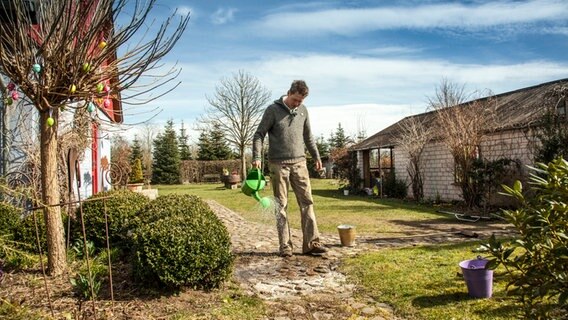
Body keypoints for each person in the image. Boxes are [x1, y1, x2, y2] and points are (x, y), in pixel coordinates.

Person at [252, 80, 327, 258]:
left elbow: (308, 137)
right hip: (279, 165)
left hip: (300, 164)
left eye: (300, 101)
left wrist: (316, 156)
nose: (297, 104)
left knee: (307, 203)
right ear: (288, 93)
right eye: (295, 100)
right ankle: (285, 246)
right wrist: (256, 157)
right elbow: (259, 134)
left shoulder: (303, 111)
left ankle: (311, 244)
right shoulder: (272, 110)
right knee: (281, 206)